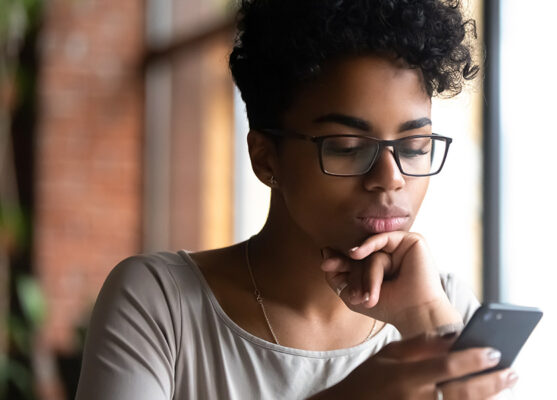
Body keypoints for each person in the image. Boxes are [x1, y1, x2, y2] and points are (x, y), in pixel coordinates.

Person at [75, 0, 518, 398]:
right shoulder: (162, 304)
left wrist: (423, 316)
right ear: (266, 158)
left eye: (415, 147)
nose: (391, 178)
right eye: (347, 146)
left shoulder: (446, 303)